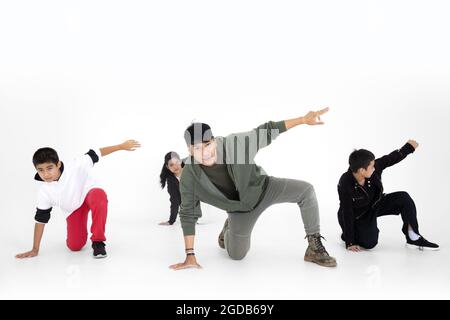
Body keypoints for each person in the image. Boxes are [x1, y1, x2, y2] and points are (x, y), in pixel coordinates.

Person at [170, 108, 337, 270]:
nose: (205, 152)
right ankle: (228, 230)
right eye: (197, 148)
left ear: (214, 141)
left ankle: (314, 248)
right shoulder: (189, 178)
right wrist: (190, 255)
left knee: (306, 191)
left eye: (207, 144)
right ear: (189, 150)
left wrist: (302, 120)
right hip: (239, 211)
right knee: (237, 255)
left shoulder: (235, 145)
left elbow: (267, 129)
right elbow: (188, 214)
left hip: (264, 189)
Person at [15, 140, 141, 259]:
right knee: (74, 246)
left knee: (99, 197)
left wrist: (121, 146)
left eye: (49, 168)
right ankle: (80, 234)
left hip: (89, 194)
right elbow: (41, 219)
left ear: (58, 164)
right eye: (40, 170)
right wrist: (35, 249)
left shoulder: (75, 165)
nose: (46, 174)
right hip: (73, 208)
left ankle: (98, 242)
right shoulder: (44, 191)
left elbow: (97, 152)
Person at [337, 140, 439, 252]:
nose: (374, 168)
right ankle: (348, 234)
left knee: (403, 198)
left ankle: (413, 237)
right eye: (371, 167)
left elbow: (390, 158)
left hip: (375, 204)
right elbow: (347, 212)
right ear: (362, 170)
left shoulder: (373, 168)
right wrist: (350, 241)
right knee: (370, 243)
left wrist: (409, 147)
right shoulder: (345, 182)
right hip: (358, 215)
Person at [159, 151, 184, 226]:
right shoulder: (171, 181)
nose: (175, 166)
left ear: (180, 161)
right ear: (167, 167)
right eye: (171, 165)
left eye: (176, 162)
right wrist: (171, 221)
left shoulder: (190, 169)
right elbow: (174, 201)